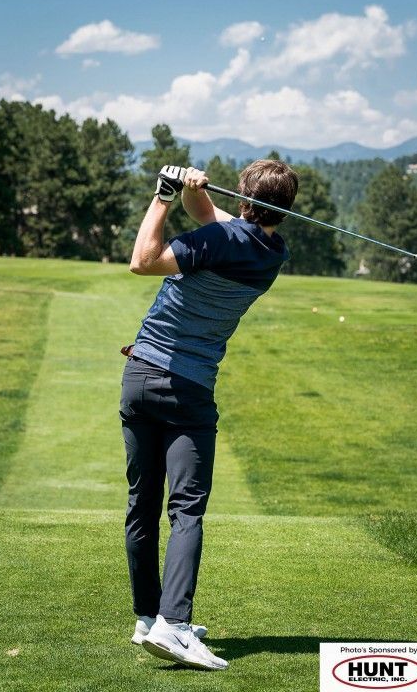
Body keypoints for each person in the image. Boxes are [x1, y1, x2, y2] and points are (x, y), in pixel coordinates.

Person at [119, 158, 298, 670]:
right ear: (281, 211)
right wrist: (193, 191)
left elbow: (142, 261)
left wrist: (163, 196)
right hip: (189, 389)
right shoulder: (270, 252)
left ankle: (153, 620)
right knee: (187, 509)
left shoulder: (222, 241)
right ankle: (170, 624)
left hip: (139, 377)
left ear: (244, 198)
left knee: (143, 503)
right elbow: (214, 220)